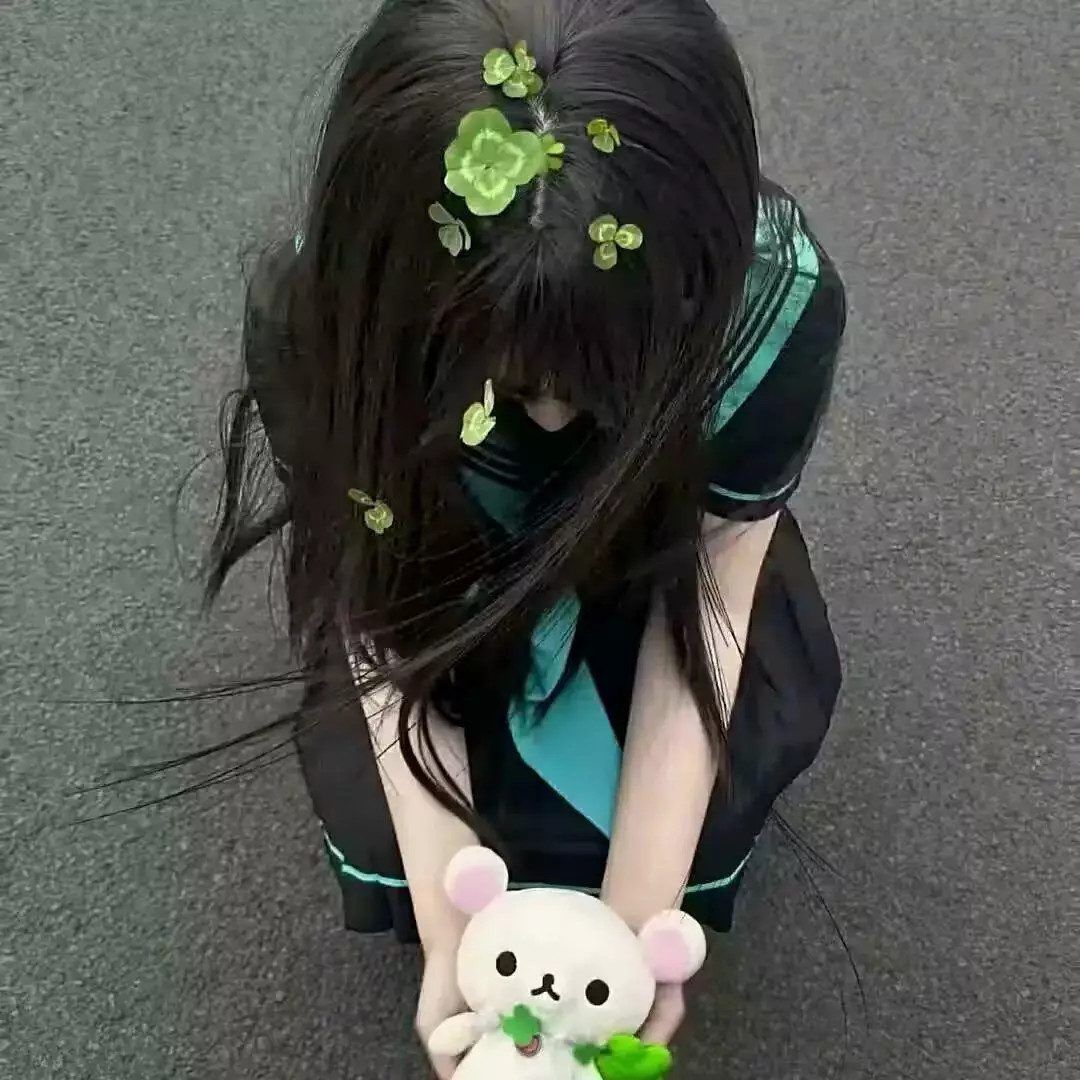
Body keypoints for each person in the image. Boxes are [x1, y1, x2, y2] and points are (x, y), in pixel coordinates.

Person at [205, 0, 846, 1074]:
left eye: (592, 374)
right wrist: (454, 939)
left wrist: (625, 948)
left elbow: (716, 585)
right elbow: (378, 590)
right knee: (388, 821)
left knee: (710, 792)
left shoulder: (773, 307)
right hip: (435, 557)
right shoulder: (320, 312)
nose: (549, 416)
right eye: (503, 370)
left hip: (658, 552)